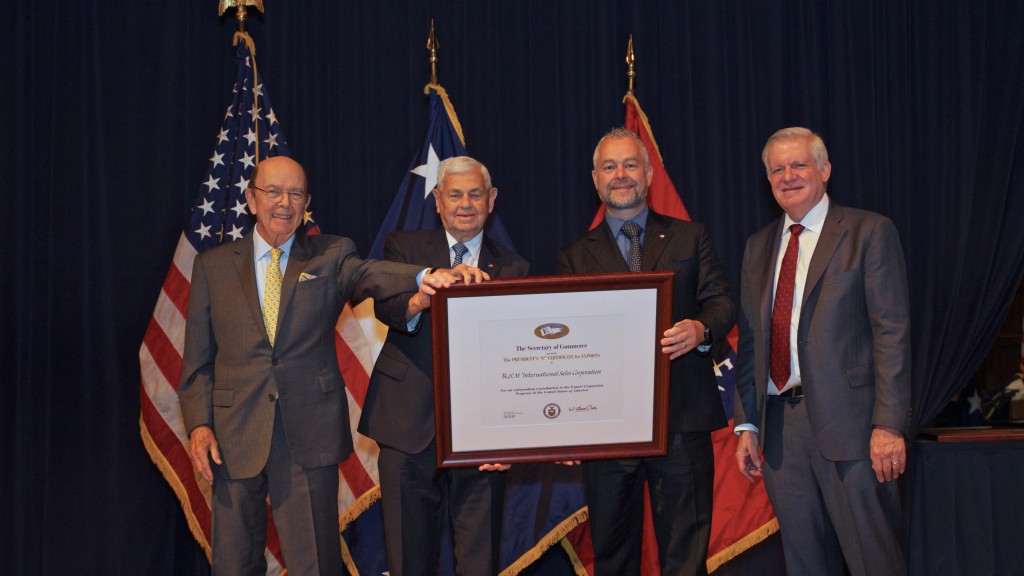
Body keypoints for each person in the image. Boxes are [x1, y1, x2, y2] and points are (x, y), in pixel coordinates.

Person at [178, 155, 484, 576]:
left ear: (307, 203)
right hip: (234, 437)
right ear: (251, 199)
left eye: (296, 194)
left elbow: (371, 273)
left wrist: (424, 275)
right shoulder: (211, 266)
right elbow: (197, 361)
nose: (284, 203)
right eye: (273, 192)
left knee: (315, 565)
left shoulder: (331, 253)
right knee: (232, 564)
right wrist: (198, 425)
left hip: (309, 436)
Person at [733, 127, 911, 576]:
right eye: (778, 169)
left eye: (799, 165)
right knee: (806, 563)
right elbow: (752, 343)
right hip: (779, 432)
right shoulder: (757, 247)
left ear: (824, 170)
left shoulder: (868, 232)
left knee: (875, 560)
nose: (788, 176)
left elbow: (892, 332)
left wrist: (888, 424)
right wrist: (748, 423)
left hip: (854, 425)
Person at [557, 128, 735, 575]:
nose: (621, 176)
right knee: (613, 557)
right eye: (610, 167)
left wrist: (701, 328)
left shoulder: (690, 237)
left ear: (649, 173)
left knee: (685, 556)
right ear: (595, 179)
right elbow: (566, 346)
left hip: (683, 419)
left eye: (630, 165)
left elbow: (722, 303)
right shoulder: (574, 256)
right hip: (606, 427)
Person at [359, 156, 529, 576]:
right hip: (406, 425)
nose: (465, 203)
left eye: (475, 194)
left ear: (491, 200)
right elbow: (387, 306)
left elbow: (520, 359)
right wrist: (421, 297)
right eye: (455, 194)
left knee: (479, 561)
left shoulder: (515, 268)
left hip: (482, 439)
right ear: (438, 200)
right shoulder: (405, 248)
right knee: (409, 560)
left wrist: (511, 437)